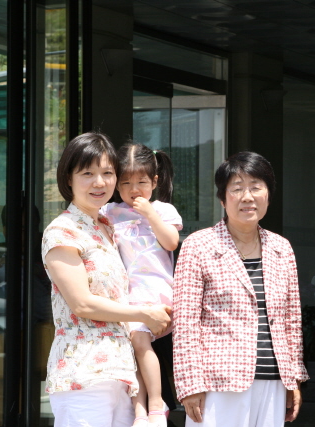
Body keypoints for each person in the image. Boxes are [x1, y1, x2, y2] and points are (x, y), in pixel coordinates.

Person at [41, 132, 172, 427]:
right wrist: (144, 314)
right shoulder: (62, 231)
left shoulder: (108, 226)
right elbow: (82, 304)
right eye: (87, 173)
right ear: (69, 178)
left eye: (107, 173)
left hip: (122, 372)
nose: (99, 182)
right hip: (83, 373)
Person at [173, 151, 309, 427]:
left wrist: (293, 378)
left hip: (273, 382)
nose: (247, 197)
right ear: (223, 199)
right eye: (237, 189)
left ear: (268, 195)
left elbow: (291, 321)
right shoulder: (199, 246)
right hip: (218, 383)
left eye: (256, 187)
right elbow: (185, 322)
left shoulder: (281, 248)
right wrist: (190, 384)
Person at [101, 143, 182, 427]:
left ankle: (156, 404)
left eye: (142, 182)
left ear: (155, 182)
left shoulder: (163, 210)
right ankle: (140, 410)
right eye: (126, 183)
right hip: (127, 294)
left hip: (156, 292)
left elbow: (171, 243)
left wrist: (150, 214)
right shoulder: (109, 212)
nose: (134, 190)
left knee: (138, 341)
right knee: (133, 348)